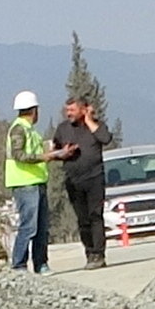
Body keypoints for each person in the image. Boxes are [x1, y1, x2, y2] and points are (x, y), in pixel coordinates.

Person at [51, 94, 108, 267]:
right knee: (82, 219)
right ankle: (89, 252)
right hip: (74, 181)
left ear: (83, 110)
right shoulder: (63, 129)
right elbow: (54, 151)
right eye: (67, 110)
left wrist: (89, 120)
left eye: (72, 110)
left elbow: (105, 139)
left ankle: (99, 254)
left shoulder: (96, 126)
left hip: (95, 178)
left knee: (95, 216)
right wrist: (64, 153)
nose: (68, 113)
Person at [3, 90, 51, 271]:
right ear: (34, 110)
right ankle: (19, 264)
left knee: (41, 228)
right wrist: (44, 157)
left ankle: (41, 264)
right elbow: (19, 155)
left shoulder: (30, 130)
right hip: (24, 184)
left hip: (37, 181)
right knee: (29, 226)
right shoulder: (18, 129)